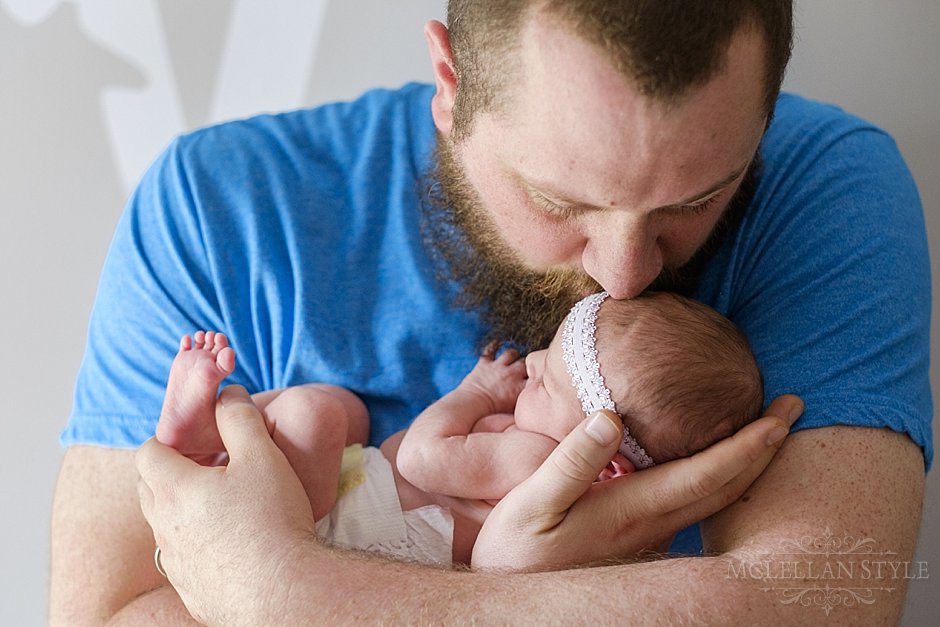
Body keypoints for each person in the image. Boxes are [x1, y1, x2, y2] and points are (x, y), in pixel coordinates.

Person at [50, 2, 930, 625]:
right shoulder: (220, 209)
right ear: (451, 80)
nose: (624, 277)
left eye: (695, 200)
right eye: (560, 202)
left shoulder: (825, 187)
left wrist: (291, 593)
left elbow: (818, 605)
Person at [156, 291, 764, 566]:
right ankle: (213, 445)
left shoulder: (531, 462)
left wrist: (474, 394)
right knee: (350, 416)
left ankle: (196, 440)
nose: (528, 366)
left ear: (605, 457)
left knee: (317, 413)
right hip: (355, 494)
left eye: (547, 382)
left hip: (330, 532)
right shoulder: (589, 498)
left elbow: (422, 458)